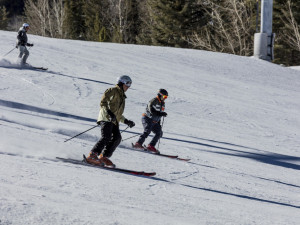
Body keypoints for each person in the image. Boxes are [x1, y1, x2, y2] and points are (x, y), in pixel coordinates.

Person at [86, 75, 135, 167]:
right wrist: (109, 112)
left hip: (113, 120)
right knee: (106, 136)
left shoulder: (122, 97)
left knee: (117, 138)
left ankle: (103, 157)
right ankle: (92, 155)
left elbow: (118, 114)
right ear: (121, 83)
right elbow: (103, 103)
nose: (128, 87)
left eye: (130, 84)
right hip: (106, 118)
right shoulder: (112, 90)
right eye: (127, 84)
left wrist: (126, 121)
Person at [133, 89, 168, 153]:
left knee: (159, 132)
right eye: (164, 97)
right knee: (147, 130)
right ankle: (138, 143)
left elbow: (159, 115)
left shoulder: (162, 104)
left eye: (166, 97)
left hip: (155, 121)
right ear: (160, 95)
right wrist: (161, 114)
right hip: (147, 118)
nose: (165, 98)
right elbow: (152, 111)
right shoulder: (154, 101)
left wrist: (159, 122)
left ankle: (151, 146)